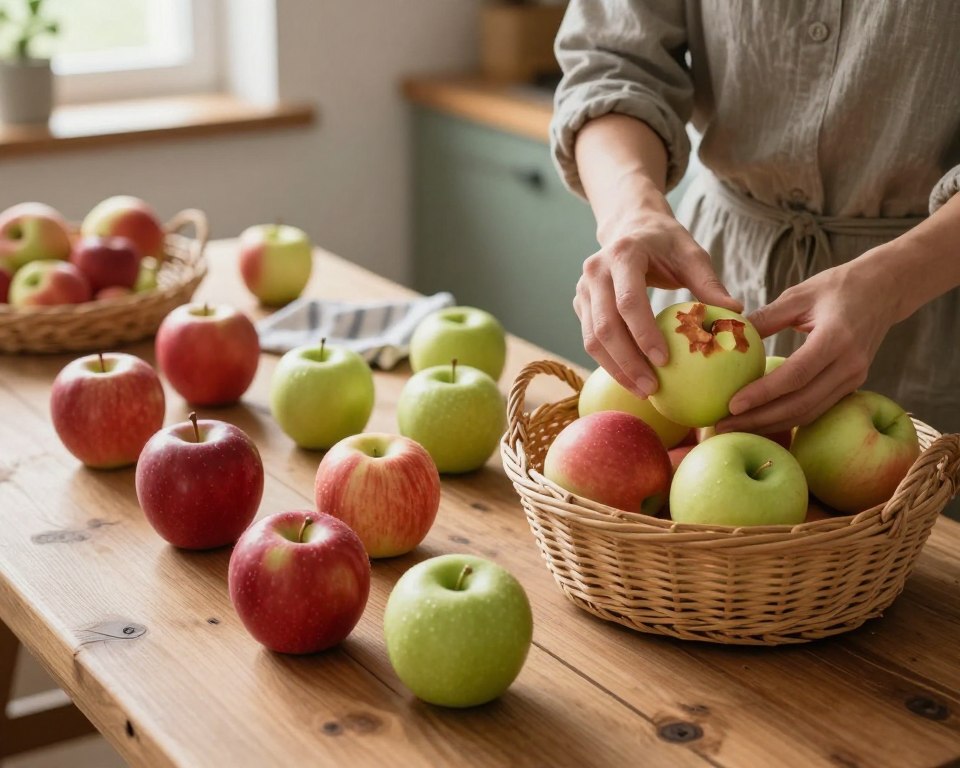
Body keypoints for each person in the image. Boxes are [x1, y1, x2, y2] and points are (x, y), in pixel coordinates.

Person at [551, 2, 960, 438]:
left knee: (917, 497)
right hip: (715, 259)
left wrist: (894, 282)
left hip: (933, 296)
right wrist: (631, 214)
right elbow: (612, 62)